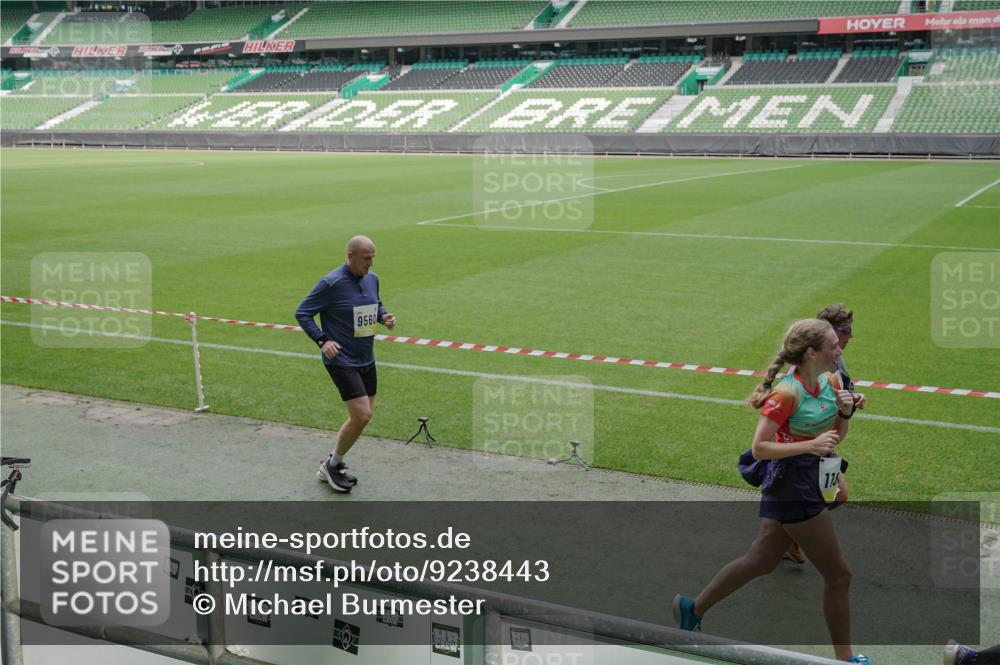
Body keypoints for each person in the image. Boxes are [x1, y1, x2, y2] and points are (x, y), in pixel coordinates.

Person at [673, 318, 870, 664]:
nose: (839, 348)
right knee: (839, 576)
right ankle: (846, 659)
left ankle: (692, 608)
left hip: (809, 473)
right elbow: (760, 447)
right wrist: (809, 446)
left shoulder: (833, 380)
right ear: (811, 353)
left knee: (761, 560)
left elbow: (836, 437)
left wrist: (845, 410)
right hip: (791, 484)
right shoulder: (786, 393)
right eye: (831, 345)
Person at [295, 235, 396, 493]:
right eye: (366, 258)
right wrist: (322, 340)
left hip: (366, 357)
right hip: (341, 359)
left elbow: (375, 302)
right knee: (362, 414)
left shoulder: (372, 279)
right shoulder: (331, 283)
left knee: (362, 418)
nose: (370, 264)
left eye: (373, 258)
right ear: (350, 256)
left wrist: (383, 316)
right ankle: (331, 466)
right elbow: (303, 312)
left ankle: (333, 463)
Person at [785, 304, 865, 564]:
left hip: (823, 443)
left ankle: (788, 536)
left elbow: (833, 391)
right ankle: (790, 534)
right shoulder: (801, 371)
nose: (850, 336)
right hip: (805, 448)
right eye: (846, 330)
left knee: (835, 495)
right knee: (836, 495)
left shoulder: (835, 357)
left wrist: (850, 400)